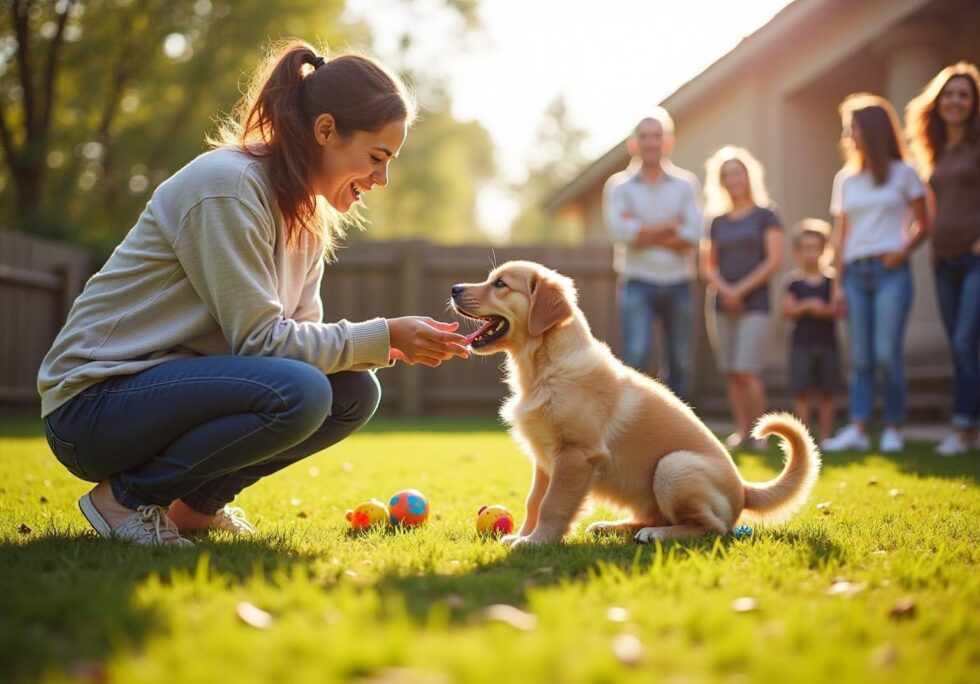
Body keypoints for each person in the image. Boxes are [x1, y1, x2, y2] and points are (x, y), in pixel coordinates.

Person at [36, 41, 470, 546]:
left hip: (163, 394)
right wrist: (384, 334)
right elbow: (263, 344)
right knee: (302, 392)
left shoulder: (306, 219)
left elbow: (300, 343)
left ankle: (193, 508)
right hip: (92, 406)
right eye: (377, 157)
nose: (382, 178)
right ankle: (124, 500)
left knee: (352, 393)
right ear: (326, 130)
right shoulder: (228, 187)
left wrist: (381, 344)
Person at [822, 93, 931, 453]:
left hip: (890, 274)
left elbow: (924, 223)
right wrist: (837, 285)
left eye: (851, 128)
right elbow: (841, 235)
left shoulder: (904, 173)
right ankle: (857, 427)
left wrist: (903, 251)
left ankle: (893, 427)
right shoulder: (845, 179)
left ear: (871, 130)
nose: (847, 136)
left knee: (886, 354)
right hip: (855, 273)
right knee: (861, 358)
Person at [906, 62, 980, 457]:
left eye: (964, 95)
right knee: (960, 347)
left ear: (974, 103)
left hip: (974, 259)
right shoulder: (935, 151)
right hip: (944, 260)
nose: (955, 101)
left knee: (966, 343)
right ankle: (971, 429)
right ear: (938, 102)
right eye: (949, 94)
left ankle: (960, 428)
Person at [604, 109, 702, 399]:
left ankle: (676, 422)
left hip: (679, 281)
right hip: (637, 280)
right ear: (633, 143)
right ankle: (635, 421)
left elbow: (693, 235)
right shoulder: (619, 186)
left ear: (667, 141)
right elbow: (622, 233)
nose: (650, 142)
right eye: (644, 136)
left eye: (656, 136)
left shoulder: (686, 184)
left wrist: (642, 231)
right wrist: (672, 226)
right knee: (635, 356)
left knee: (679, 362)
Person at [700, 146, 784, 449]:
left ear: (748, 177)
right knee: (732, 372)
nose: (733, 180)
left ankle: (760, 435)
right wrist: (726, 291)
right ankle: (742, 431)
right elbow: (707, 266)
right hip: (721, 305)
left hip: (755, 305)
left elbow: (774, 261)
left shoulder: (766, 215)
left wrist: (740, 290)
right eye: (726, 175)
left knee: (747, 370)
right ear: (720, 182)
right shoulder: (716, 221)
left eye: (737, 173)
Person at [781, 219, 843, 444]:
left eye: (816, 248)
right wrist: (807, 306)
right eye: (806, 248)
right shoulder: (793, 283)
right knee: (803, 393)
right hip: (801, 345)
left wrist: (822, 310)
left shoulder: (833, 281)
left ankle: (826, 436)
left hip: (828, 345)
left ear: (825, 250)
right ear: (797, 252)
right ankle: (803, 439)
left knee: (827, 392)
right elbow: (787, 311)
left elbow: (838, 310)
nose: (811, 254)